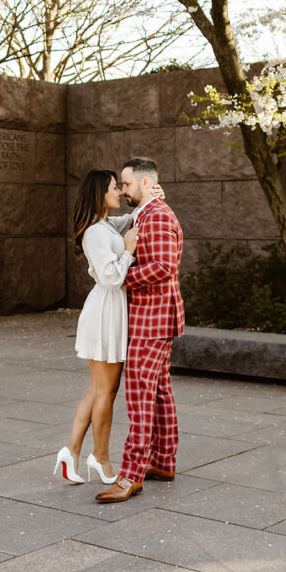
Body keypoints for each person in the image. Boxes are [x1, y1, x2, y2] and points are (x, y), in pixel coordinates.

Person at [95, 156, 184, 504]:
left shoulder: (157, 215)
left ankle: (130, 474)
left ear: (146, 183)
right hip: (158, 318)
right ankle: (163, 461)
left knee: (139, 397)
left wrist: (121, 280)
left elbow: (163, 265)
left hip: (152, 321)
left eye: (127, 184)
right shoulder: (145, 212)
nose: (124, 190)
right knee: (159, 392)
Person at [53, 169, 137, 485]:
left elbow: (129, 220)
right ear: (101, 192)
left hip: (108, 311)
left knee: (97, 389)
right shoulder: (95, 232)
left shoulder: (104, 225)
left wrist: (149, 198)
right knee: (106, 391)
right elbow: (112, 277)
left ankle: (71, 451)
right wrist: (128, 251)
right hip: (106, 311)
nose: (121, 192)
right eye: (116, 188)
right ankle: (100, 459)